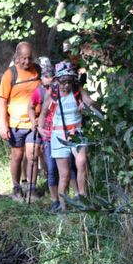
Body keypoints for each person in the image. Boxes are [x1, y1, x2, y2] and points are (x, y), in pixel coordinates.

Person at [37, 60, 99, 210]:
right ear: (57, 80)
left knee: (81, 163)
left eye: (69, 81)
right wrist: (40, 128)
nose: (66, 85)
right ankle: (63, 207)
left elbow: (91, 103)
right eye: (63, 81)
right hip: (58, 135)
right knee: (64, 175)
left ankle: (82, 198)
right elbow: (43, 112)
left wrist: (88, 105)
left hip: (77, 132)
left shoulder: (77, 90)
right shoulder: (52, 93)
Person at [28, 58, 78, 211]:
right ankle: (55, 200)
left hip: (64, 133)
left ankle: (74, 197)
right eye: (46, 81)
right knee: (51, 169)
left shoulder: (70, 91)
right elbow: (40, 111)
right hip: (50, 136)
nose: (50, 85)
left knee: (71, 168)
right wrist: (38, 126)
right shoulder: (43, 92)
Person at [0, 42, 42, 201]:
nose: (26, 62)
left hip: (34, 123)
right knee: (17, 156)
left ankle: (31, 188)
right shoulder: (10, 74)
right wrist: (3, 124)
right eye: (23, 58)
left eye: (29, 58)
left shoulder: (38, 71)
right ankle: (16, 188)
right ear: (17, 57)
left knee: (33, 156)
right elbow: (2, 101)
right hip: (15, 124)